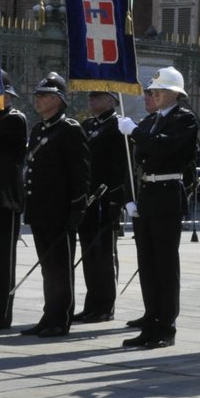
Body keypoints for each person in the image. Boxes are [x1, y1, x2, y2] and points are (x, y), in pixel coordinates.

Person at [119, 67, 198, 348]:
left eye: (158, 91)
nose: (153, 95)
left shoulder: (184, 119)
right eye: (152, 91)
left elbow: (164, 148)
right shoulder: (153, 120)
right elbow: (140, 159)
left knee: (165, 263)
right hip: (148, 192)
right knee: (147, 262)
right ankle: (151, 320)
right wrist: (131, 196)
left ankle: (166, 326)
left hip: (167, 192)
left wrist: (136, 132)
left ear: (174, 93)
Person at [22, 74, 88, 337]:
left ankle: (60, 319)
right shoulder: (40, 129)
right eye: (37, 95)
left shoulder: (70, 129)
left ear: (58, 100)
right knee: (48, 267)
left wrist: (77, 208)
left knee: (60, 267)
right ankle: (49, 315)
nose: (37, 100)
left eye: (44, 96)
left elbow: (80, 174)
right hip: (40, 209)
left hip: (60, 210)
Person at [74, 88, 129, 324]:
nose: (91, 99)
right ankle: (92, 304)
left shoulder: (118, 126)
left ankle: (105, 306)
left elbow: (122, 166)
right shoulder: (87, 125)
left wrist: (117, 198)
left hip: (106, 198)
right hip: (88, 198)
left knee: (105, 254)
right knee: (89, 253)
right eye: (91, 96)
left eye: (97, 96)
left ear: (111, 100)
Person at [0, 74, 28, 331]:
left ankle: (1, 314)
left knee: (2, 261)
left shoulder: (14, 119)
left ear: (7, 96)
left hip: (4, 201)